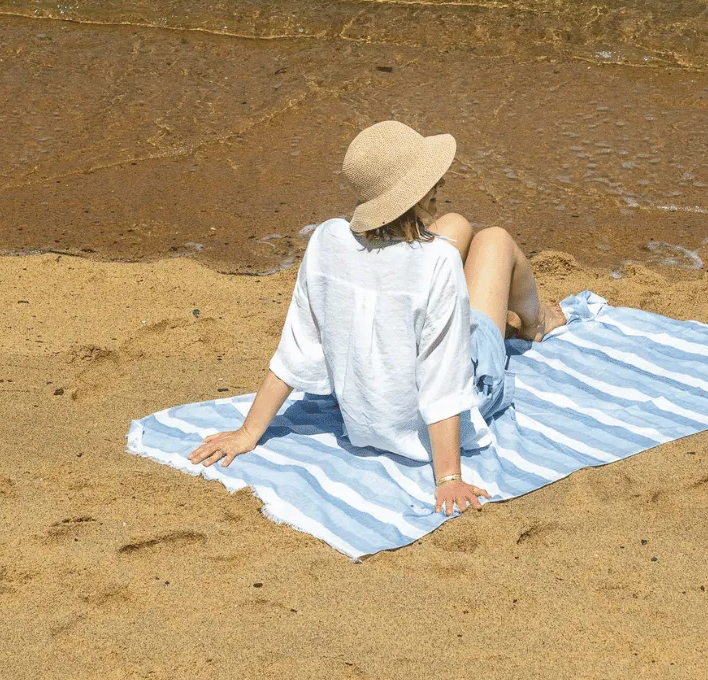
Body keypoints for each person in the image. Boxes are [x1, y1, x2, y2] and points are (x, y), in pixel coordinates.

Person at [188, 120, 565, 516]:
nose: (439, 183)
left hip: (365, 410)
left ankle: (516, 318)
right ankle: (536, 324)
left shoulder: (327, 240)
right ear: (413, 193)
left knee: (456, 224)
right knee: (495, 240)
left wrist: (249, 432)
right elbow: (444, 377)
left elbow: (299, 345)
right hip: (432, 419)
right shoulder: (437, 262)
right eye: (429, 179)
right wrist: (449, 477)